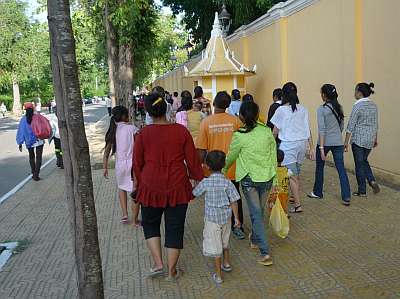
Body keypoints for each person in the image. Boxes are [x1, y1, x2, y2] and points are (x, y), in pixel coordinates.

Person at [133, 93, 203, 281]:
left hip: (150, 187)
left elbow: (137, 164)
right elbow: (193, 160)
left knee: (150, 224)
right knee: (175, 227)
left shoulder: (142, 134)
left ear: (148, 111)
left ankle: (158, 264)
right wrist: (197, 177)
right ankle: (172, 271)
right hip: (177, 186)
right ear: (166, 108)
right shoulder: (181, 132)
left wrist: (140, 184)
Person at [224, 101, 277, 266]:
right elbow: (273, 156)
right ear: (257, 114)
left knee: (256, 214)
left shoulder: (239, 135)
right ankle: (254, 239)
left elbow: (231, 156)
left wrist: (220, 171)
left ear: (241, 116)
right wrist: (274, 179)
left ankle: (265, 251)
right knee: (258, 212)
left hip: (249, 180)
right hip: (267, 177)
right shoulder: (267, 131)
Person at [197, 91, 245, 240]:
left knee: (214, 199)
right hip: (233, 168)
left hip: (213, 170)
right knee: (235, 197)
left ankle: (216, 226)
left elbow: (201, 149)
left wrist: (201, 166)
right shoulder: (236, 121)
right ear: (228, 105)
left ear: (214, 103)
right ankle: (238, 226)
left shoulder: (206, 122)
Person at [193, 150, 240, 284]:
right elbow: (234, 201)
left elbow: (195, 193)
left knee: (215, 247)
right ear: (224, 164)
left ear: (207, 166)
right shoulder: (227, 183)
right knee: (225, 241)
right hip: (226, 217)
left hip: (211, 219)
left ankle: (218, 275)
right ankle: (227, 263)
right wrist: (236, 219)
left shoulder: (206, 182)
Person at [271, 82, 315, 213]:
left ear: (283, 95)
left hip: (288, 147)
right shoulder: (303, 109)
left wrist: (269, 146)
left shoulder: (281, 110)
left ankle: (297, 205)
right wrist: (311, 147)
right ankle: (293, 196)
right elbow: (308, 129)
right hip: (302, 145)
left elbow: (274, 132)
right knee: (296, 173)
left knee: (292, 177)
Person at [308, 84, 351, 206]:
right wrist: (336, 136)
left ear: (324, 95)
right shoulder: (339, 108)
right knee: (341, 168)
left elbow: (322, 130)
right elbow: (341, 126)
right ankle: (346, 196)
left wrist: (321, 148)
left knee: (320, 167)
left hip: (324, 143)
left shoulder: (322, 109)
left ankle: (317, 192)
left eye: (322, 93)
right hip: (338, 142)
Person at [103, 106, 140, 225]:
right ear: (124, 116)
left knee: (122, 188)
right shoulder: (132, 129)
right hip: (132, 164)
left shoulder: (113, 130)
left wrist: (105, 167)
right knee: (135, 190)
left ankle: (125, 215)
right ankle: (134, 220)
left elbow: (107, 152)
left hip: (119, 165)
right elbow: (140, 146)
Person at [344, 82, 380, 196]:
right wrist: (375, 138)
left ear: (359, 92)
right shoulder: (374, 105)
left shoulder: (357, 105)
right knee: (364, 161)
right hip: (370, 139)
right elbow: (375, 124)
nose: (354, 93)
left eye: (355, 90)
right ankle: (372, 180)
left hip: (358, 140)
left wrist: (346, 142)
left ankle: (362, 190)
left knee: (359, 164)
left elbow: (351, 124)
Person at [16, 102, 44, 181]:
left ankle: (33, 172)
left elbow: (20, 132)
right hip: (39, 140)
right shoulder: (38, 117)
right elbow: (43, 127)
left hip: (29, 142)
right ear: (33, 108)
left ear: (25, 109)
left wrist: (20, 143)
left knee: (31, 157)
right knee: (39, 158)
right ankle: (36, 175)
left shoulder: (23, 120)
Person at [268, 149, 289, 215]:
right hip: (285, 192)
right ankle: (284, 215)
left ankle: (275, 219)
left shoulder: (273, 170)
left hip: (275, 192)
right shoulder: (286, 169)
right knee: (283, 205)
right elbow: (290, 177)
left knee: (272, 206)